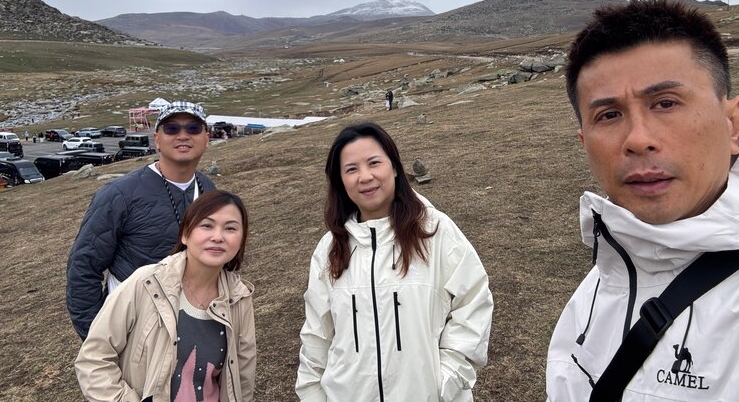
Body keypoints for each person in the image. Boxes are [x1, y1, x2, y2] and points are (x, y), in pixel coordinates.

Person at [546, 0, 739, 400]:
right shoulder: (606, 274)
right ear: (584, 143)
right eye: (609, 115)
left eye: (666, 103)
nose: (638, 139)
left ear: (732, 123)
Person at [296, 121, 493, 401]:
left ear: (395, 167)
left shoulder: (435, 231)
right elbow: (317, 334)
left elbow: (473, 301)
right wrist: (312, 394)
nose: (365, 177)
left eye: (374, 163)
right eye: (351, 169)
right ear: (340, 181)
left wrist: (447, 378)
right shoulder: (330, 249)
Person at [75, 190, 255, 402]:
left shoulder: (239, 297)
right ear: (185, 234)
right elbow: (93, 358)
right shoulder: (146, 283)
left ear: (241, 239)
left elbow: (242, 378)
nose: (218, 236)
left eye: (230, 228)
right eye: (207, 225)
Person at [66, 101, 214, 339]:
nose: (183, 135)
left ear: (206, 138)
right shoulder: (119, 194)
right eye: (172, 128)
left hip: (193, 321)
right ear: (157, 139)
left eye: (193, 128)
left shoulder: (207, 188)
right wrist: (97, 338)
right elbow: (83, 267)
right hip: (135, 326)